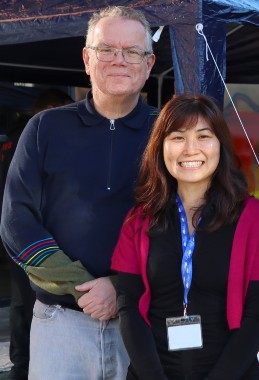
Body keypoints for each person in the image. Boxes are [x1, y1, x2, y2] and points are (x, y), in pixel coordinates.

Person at [0, 6, 157, 380]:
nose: (119, 60)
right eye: (107, 49)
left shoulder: (168, 131)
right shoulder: (45, 128)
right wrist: (82, 287)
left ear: (149, 64)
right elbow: (15, 220)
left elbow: (187, 222)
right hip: (59, 324)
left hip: (144, 321)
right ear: (87, 59)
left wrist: (120, 288)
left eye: (132, 51)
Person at [111, 94, 259, 380]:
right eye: (177, 138)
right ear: (160, 148)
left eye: (203, 136)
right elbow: (128, 305)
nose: (191, 149)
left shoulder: (252, 217)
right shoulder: (139, 219)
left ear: (220, 145)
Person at [1, 88, 73, 380]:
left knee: (25, 303)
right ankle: (24, 367)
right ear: (51, 110)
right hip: (33, 237)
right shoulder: (32, 140)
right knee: (35, 304)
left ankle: (22, 366)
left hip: (23, 236)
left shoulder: (14, 139)